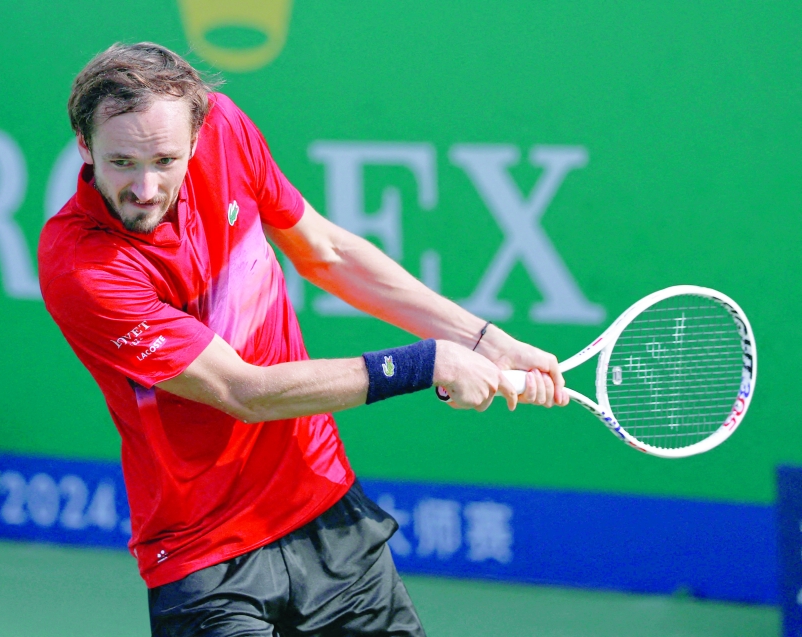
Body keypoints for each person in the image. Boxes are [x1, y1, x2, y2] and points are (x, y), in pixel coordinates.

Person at [38, 42, 568, 637]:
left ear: (197, 136)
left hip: (325, 512)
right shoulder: (84, 269)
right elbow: (244, 391)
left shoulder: (227, 131)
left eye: (165, 160)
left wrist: (482, 340)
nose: (143, 188)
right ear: (84, 146)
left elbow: (328, 253)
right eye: (121, 163)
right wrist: (426, 363)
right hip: (207, 558)